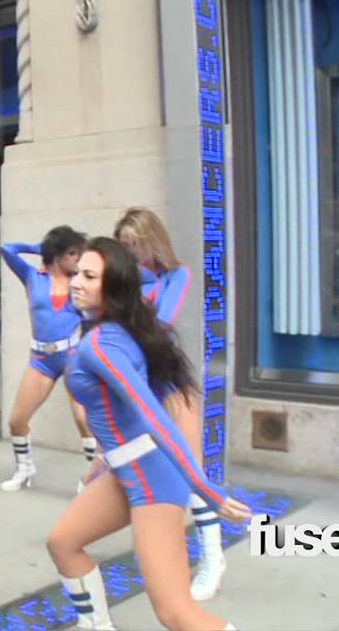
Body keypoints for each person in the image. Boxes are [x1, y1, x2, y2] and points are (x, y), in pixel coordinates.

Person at [46, 237, 250, 631]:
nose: (76, 282)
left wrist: (203, 487)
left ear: (113, 287)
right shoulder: (117, 332)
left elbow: (152, 416)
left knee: (176, 612)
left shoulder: (102, 344)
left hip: (151, 479)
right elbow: (122, 416)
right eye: (76, 273)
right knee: (63, 542)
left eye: (90, 276)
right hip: (127, 471)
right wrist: (105, 460)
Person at [114, 207, 223, 600]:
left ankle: (212, 558)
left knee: (192, 472)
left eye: (134, 244)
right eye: (122, 245)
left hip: (169, 383)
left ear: (150, 241)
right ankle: (168, 561)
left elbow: (160, 320)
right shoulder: (119, 282)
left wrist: (134, 282)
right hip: (132, 385)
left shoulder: (176, 275)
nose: (129, 252)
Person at [0, 227, 88, 492]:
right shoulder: (32, 276)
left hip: (71, 355)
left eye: (79, 254)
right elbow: (7, 248)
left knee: (84, 419)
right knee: (16, 420)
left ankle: (94, 480)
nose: (77, 259)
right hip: (40, 358)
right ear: (57, 254)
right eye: (71, 253)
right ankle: (25, 469)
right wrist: (41, 248)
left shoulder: (80, 282)